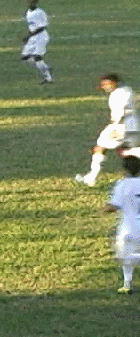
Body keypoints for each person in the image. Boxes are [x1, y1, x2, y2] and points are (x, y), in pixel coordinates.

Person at [76, 74, 140, 187]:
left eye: (108, 84)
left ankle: (91, 178)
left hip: (121, 126)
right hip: (134, 126)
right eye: (103, 85)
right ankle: (132, 179)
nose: (105, 87)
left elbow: (121, 109)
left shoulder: (119, 94)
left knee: (100, 148)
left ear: (116, 82)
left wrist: (115, 123)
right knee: (126, 152)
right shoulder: (127, 90)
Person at [100, 155, 140, 294]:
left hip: (128, 227)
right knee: (130, 256)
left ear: (124, 170)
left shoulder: (122, 185)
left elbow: (114, 206)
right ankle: (127, 284)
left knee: (124, 257)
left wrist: (103, 210)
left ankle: (127, 284)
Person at [20, 0, 53, 84]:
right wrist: (29, 35)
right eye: (29, 1)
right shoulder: (28, 12)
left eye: (33, 1)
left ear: (36, 2)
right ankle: (45, 67)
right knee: (25, 57)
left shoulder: (40, 12)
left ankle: (48, 78)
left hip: (41, 36)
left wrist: (29, 35)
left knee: (37, 57)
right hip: (33, 37)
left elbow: (42, 27)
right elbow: (32, 26)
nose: (31, 3)